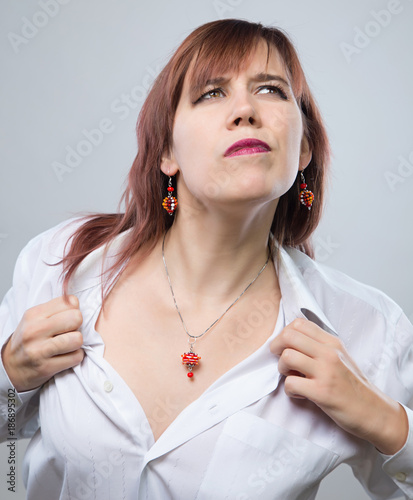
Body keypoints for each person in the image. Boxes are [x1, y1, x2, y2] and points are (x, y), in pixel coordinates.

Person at [0, 18, 412, 500]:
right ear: (167, 152)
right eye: (212, 93)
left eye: (271, 90)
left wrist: (389, 425)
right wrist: (9, 378)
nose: (245, 110)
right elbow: (6, 439)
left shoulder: (365, 327)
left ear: (303, 148)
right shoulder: (62, 263)